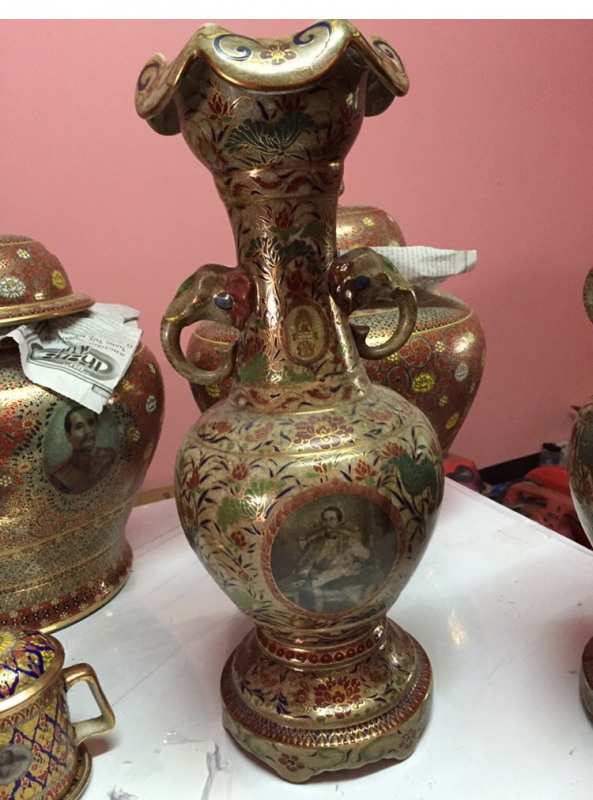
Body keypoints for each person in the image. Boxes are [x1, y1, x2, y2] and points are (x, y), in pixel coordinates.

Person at [291, 506, 375, 612]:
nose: (328, 523)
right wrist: (310, 570)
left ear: (338, 522)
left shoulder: (349, 540)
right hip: (321, 577)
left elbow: (366, 557)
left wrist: (358, 563)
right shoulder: (314, 543)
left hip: (345, 576)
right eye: (325, 520)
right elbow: (304, 562)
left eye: (331, 519)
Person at [48, 406, 117, 494]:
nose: (88, 431)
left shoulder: (110, 455)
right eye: (79, 427)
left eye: (91, 423)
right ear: (68, 436)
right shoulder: (60, 476)